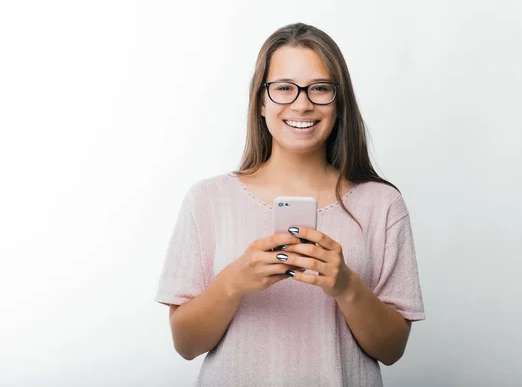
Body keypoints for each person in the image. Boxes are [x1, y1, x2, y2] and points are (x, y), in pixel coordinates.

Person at [155, 22, 425, 387]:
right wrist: (234, 282)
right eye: (284, 88)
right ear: (262, 101)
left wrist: (346, 286)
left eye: (320, 88)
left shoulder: (382, 203)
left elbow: (392, 350)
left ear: (338, 101)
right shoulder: (208, 200)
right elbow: (186, 344)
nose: (302, 103)